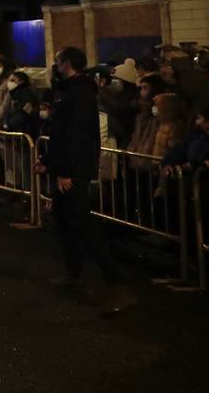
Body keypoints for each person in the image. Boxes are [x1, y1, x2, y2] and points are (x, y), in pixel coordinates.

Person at [37, 47, 136, 314]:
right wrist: (48, 161)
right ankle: (73, 272)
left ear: (67, 64)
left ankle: (117, 283)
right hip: (66, 166)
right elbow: (60, 133)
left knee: (82, 223)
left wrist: (66, 171)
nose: (54, 65)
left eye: (58, 61)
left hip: (74, 169)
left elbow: (77, 135)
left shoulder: (79, 93)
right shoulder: (69, 91)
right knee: (64, 218)